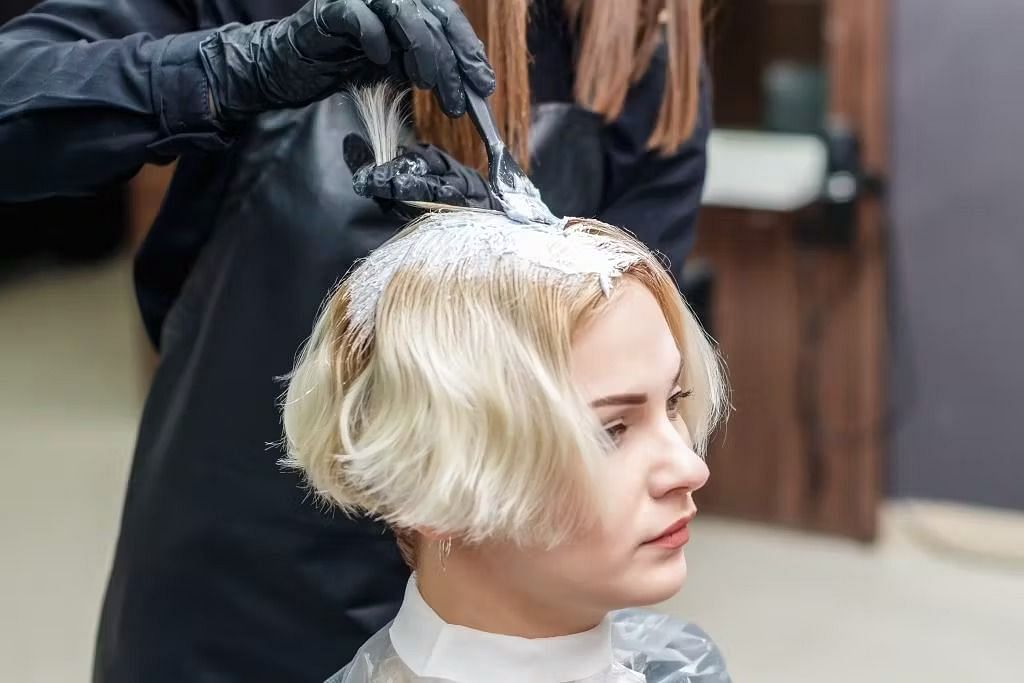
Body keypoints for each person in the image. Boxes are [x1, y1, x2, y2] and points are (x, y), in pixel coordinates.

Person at [0, 1, 711, 680]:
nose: (689, 468)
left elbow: (646, 353)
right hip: (241, 576)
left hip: (506, 582)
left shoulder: (646, 38)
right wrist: (235, 72)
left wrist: (520, 249)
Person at [282, 207, 729, 682]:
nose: (690, 469)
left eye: (675, 401)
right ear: (430, 480)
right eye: (610, 430)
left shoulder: (679, 663)